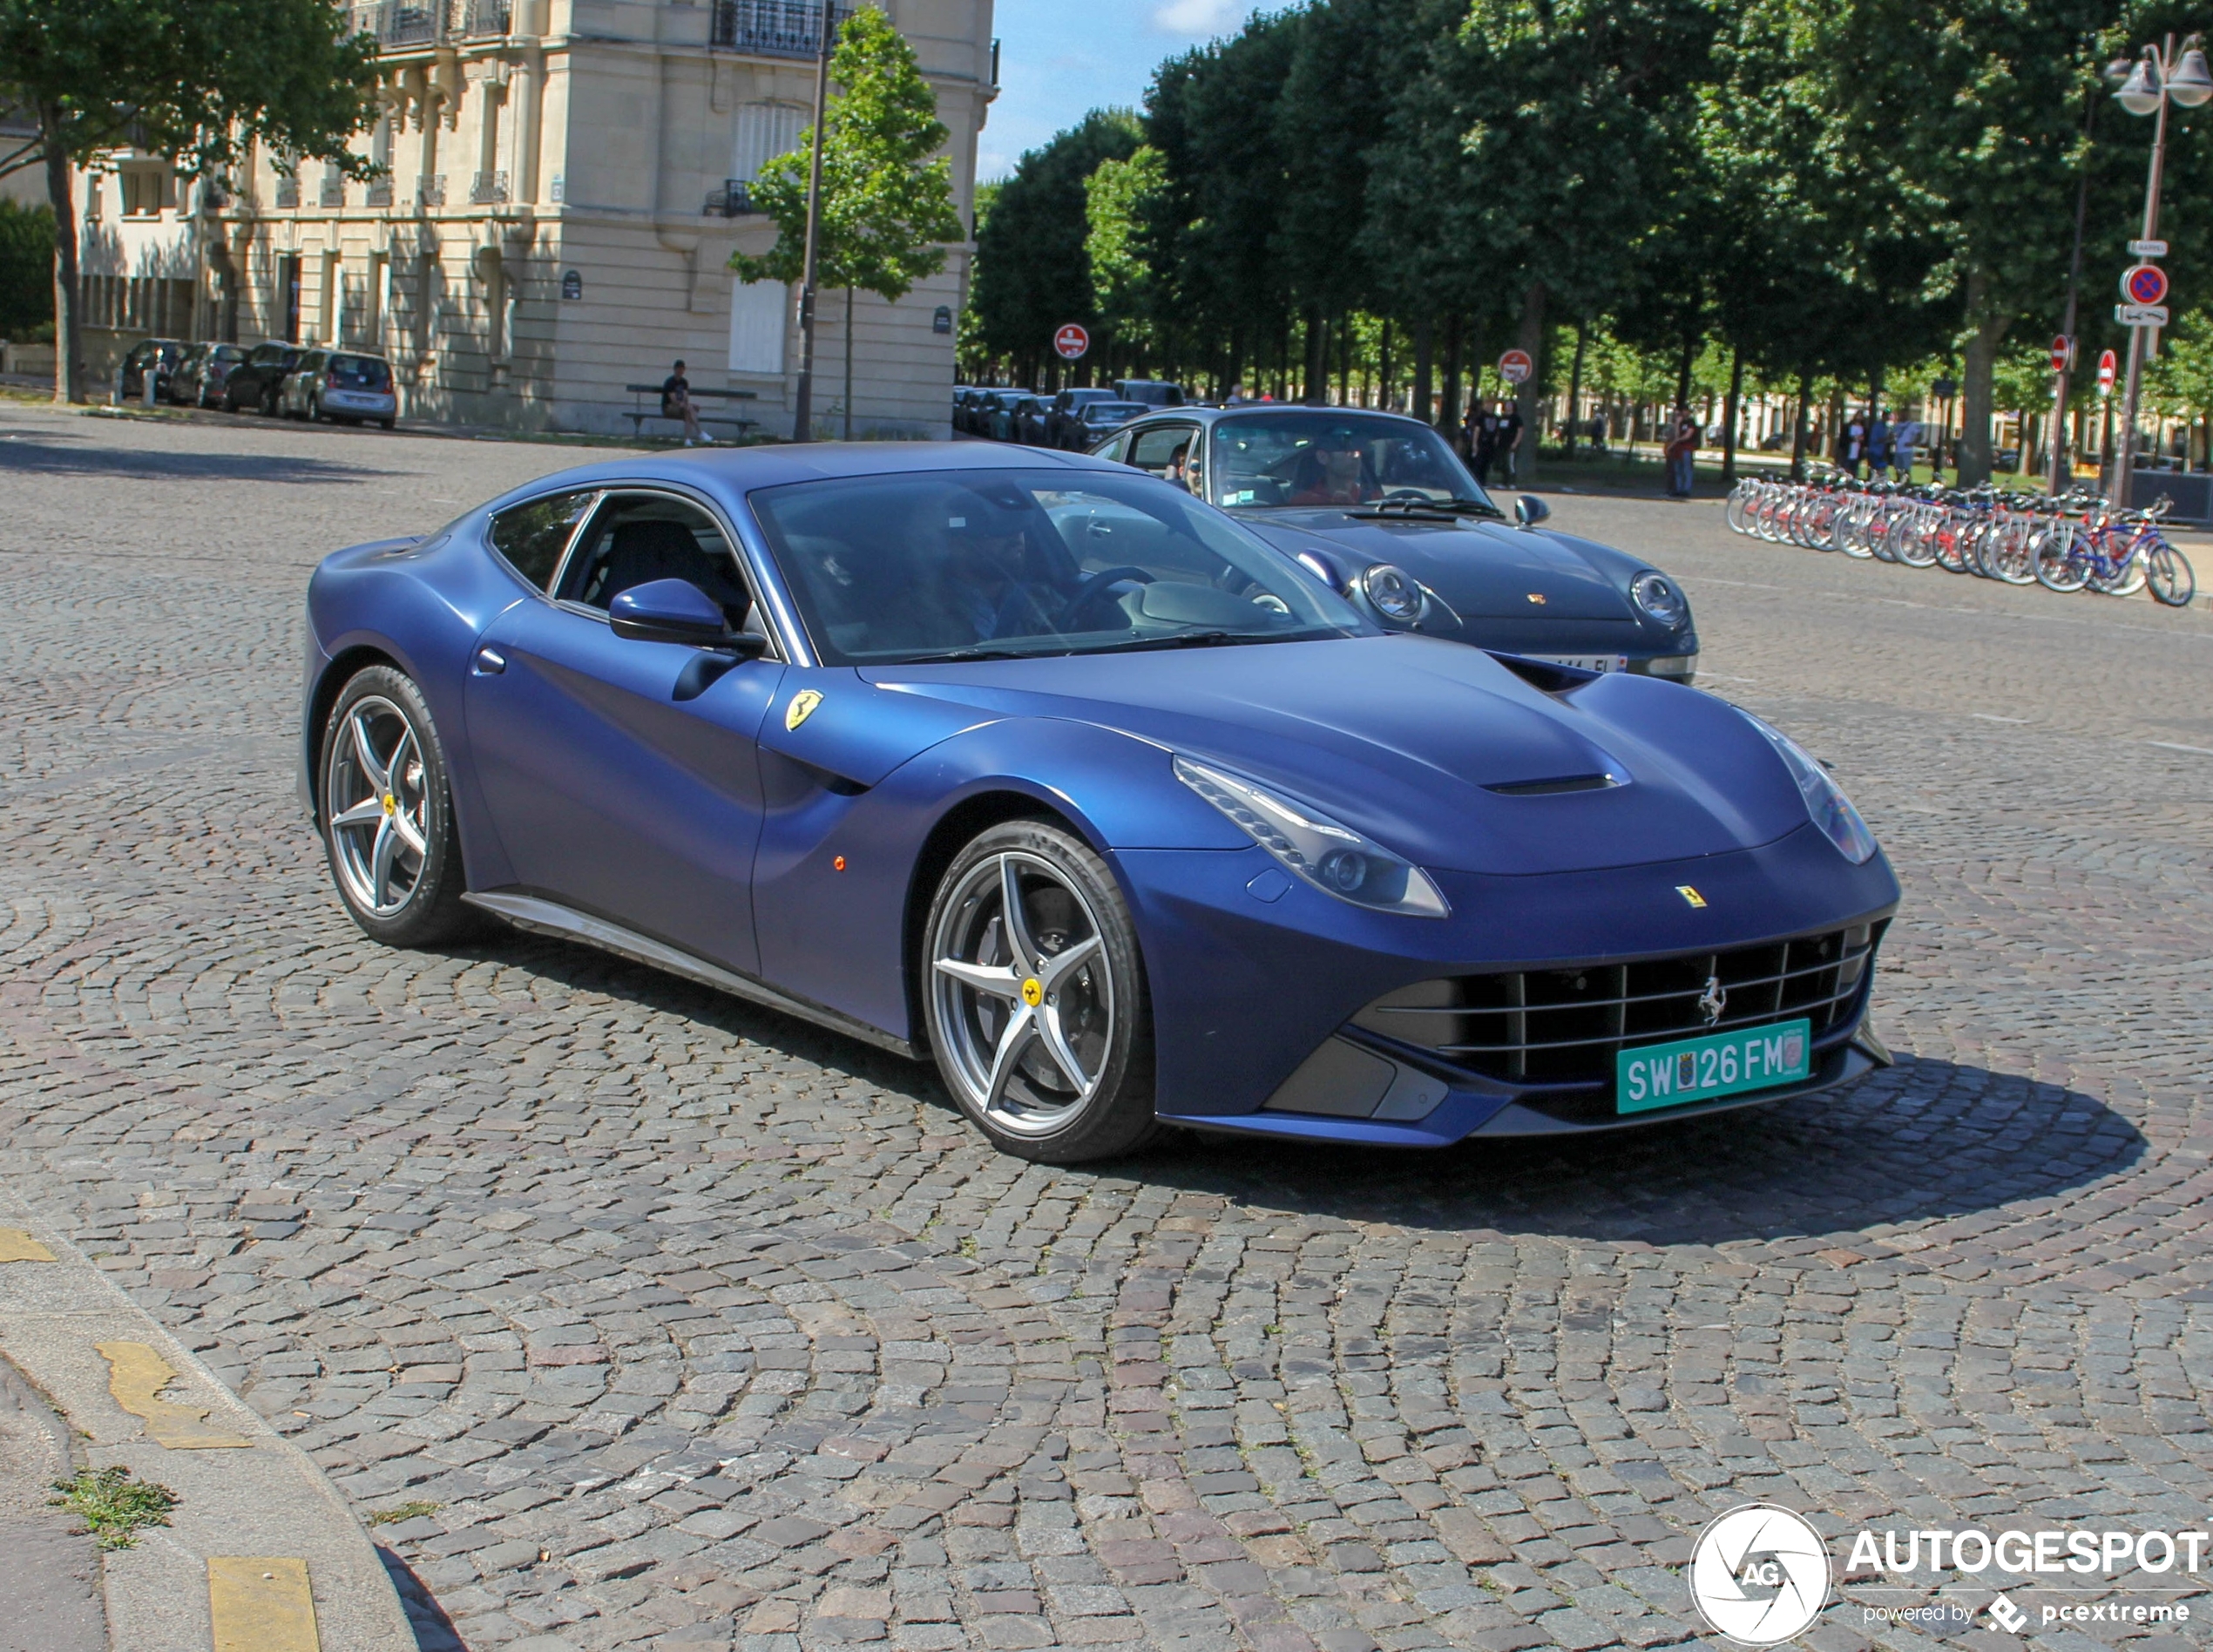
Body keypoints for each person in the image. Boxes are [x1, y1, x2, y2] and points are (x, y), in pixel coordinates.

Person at [1286, 435, 1379, 505]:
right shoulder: (1302, 503)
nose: (1355, 457)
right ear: (1322, 457)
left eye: (1357, 453)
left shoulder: (1375, 501)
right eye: (1347, 452)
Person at [661, 359, 708, 446]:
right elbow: (673, 400)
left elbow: (686, 397)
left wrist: (689, 405)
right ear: (674, 369)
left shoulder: (684, 382)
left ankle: (687, 440)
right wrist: (684, 405)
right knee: (689, 409)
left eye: (682, 369)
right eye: (678, 369)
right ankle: (700, 433)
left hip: (682, 407)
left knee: (688, 412)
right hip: (669, 407)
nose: (680, 371)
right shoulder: (669, 382)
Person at [1663, 410, 1698, 498]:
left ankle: (1686, 489)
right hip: (1678, 449)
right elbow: (1677, 435)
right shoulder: (1680, 423)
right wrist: (1678, 424)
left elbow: (1687, 435)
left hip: (1686, 448)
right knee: (1678, 469)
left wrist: (1678, 440)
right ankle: (1678, 489)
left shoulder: (1691, 422)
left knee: (1686, 469)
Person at [1496, 400, 1526, 485]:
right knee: (1502, 463)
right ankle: (1504, 481)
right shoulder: (1503, 417)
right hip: (1502, 444)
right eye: (1507, 405)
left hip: (1511, 444)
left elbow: (1520, 431)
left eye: (1510, 405)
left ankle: (1511, 482)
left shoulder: (1516, 418)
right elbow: (1499, 430)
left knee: (1510, 463)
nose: (1508, 406)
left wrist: (1516, 443)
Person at [1892, 410, 1922, 480]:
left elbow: (1919, 435)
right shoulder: (1898, 425)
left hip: (1907, 451)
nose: (1902, 416)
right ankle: (1899, 482)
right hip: (1898, 450)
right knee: (1897, 469)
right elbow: (1893, 434)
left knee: (1906, 469)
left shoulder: (1912, 425)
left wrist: (1913, 443)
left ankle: (1907, 483)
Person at [1866, 410, 1893, 481]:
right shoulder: (1877, 426)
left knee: (1882, 469)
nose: (1888, 417)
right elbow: (1874, 439)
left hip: (1882, 452)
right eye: (1887, 415)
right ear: (1883, 416)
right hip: (1874, 452)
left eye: (1889, 416)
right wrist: (1887, 438)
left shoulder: (1887, 427)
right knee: (1876, 470)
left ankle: (1879, 483)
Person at [1840, 410, 1867, 477]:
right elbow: (1843, 439)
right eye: (1858, 415)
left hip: (1857, 454)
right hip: (1847, 453)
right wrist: (1853, 439)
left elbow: (1865, 441)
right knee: (1846, 472)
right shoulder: (1848, 427)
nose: (1859, 417)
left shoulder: (1864, 429)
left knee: (1855, 472)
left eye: (1861, 416)